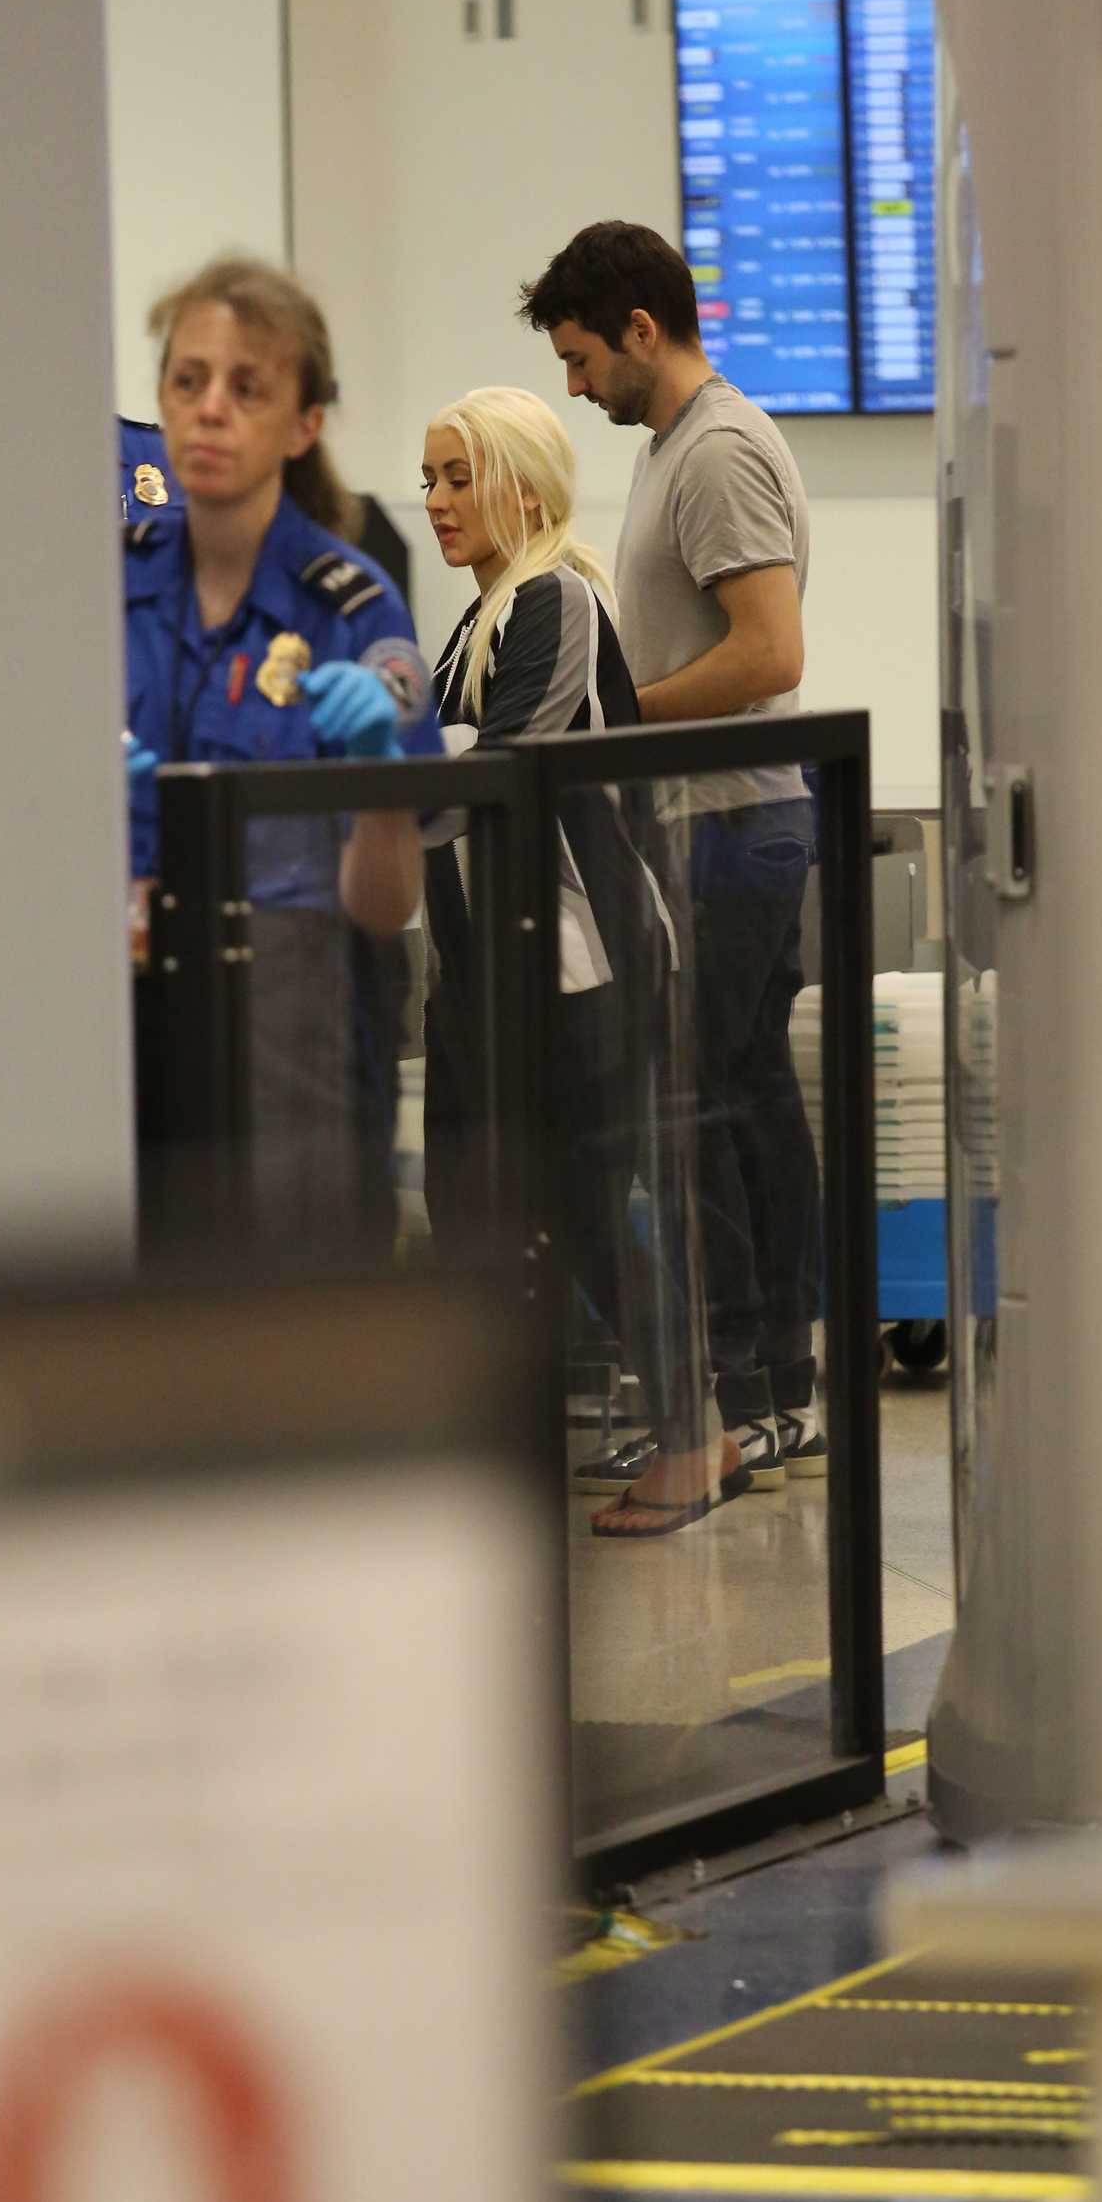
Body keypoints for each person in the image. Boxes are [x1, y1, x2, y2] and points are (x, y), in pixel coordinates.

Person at [520, 219, 828, 1490]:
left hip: (734, 825)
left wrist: (615, 715)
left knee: (707, 1116)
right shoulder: (673, 449)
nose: (575, 385)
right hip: (707, 825)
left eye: (583, 358)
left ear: (643, 331)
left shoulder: (718, 453)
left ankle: (763, 1394)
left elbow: (771, 652)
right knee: (733, 1105)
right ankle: (768, 1389)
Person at [418, 385, 720, 1536]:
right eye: (431, 478)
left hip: (580, 976)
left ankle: (693, 1437)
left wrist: (374, 771)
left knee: (588, 1215)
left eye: (460, 477)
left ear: (525, 485)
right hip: (488, 979)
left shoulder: (557, 600)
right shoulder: (480, 616)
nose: (438, 500)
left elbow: (493, 775)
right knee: (467, 1208)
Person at [124, 256, 441, 1241]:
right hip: (125, 1037)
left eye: (247, 387)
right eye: (189, 381)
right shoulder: (104, 589)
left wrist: (379, 780)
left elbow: (385, 909)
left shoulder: (353, 611)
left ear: (304, 424)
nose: (210, 410)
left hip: (294, 1040)